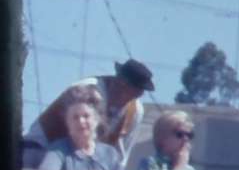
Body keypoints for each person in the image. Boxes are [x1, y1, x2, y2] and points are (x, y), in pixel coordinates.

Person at [23, 58, 155, 162]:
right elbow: (72, 135)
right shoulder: (85, 91)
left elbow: (120, 157)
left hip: (80, 164)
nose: (124, 94)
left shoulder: (135, 112)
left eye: (134, 93)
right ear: (117, 80)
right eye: (122, 86)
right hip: (40, 148)